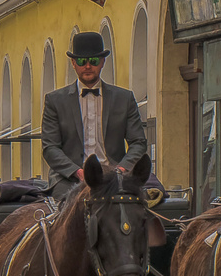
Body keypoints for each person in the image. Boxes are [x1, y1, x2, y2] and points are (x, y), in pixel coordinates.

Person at [41, 32, 148, 200]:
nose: (88, 66)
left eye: (94, 61)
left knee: (141, 208)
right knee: (64, 215)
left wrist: (121, 169)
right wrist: (78, 172)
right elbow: (50, 148)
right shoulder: (55, 101)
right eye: (82, 61)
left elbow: (138, 143)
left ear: (103, 62)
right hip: (69, 179)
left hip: (115, 176)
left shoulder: (124, 99)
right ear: (74, 63)